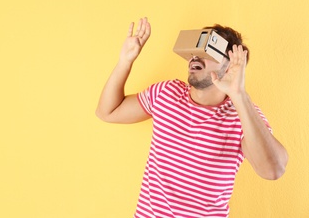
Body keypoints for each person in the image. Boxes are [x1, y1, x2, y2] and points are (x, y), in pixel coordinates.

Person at [95, 17, 288, 218]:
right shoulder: (166, 93)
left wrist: (239, 95)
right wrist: (125, 61)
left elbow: (273, 170)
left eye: (208, 50)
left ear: (230, 66)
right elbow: (107, 112)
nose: (195, 57)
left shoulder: (243, 116)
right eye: (194, 50)